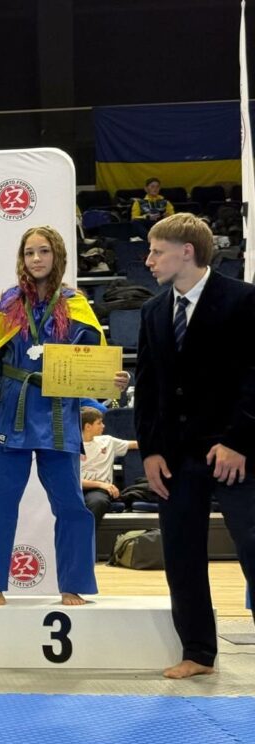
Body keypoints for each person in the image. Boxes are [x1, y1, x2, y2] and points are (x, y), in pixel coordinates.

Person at [0, 226, 129, 607]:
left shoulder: (75, 304)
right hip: (12, 410)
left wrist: (113, 381)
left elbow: (97, 363)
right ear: (21, 259)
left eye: (43, 251)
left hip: (58, 413)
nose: (36, 259)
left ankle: (73, 584)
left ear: (57, 255)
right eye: (29, 253)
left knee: (71, 504)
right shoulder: (7, 303)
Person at [135, 212, 255, 679]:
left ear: (187, 251)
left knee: (253, 548)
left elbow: (254, 378)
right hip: (176, 456)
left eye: (156, 251)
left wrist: (237, 441)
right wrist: (150, 450)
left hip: (235, 452)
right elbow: (148, 387)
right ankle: (198, 653)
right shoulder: (152, 311)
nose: (148, 260)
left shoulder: (243, 300)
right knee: (182, 554)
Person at [80, 406, 137, 526]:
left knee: (98, 501)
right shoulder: (72, 447)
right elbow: (72, 479)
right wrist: (101, 484)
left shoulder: (107, 441)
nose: (103, 426)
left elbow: (133, 444)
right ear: (88, 426)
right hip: (78, 488)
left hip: (99, 491)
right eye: (99, 423)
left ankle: (84, 536)